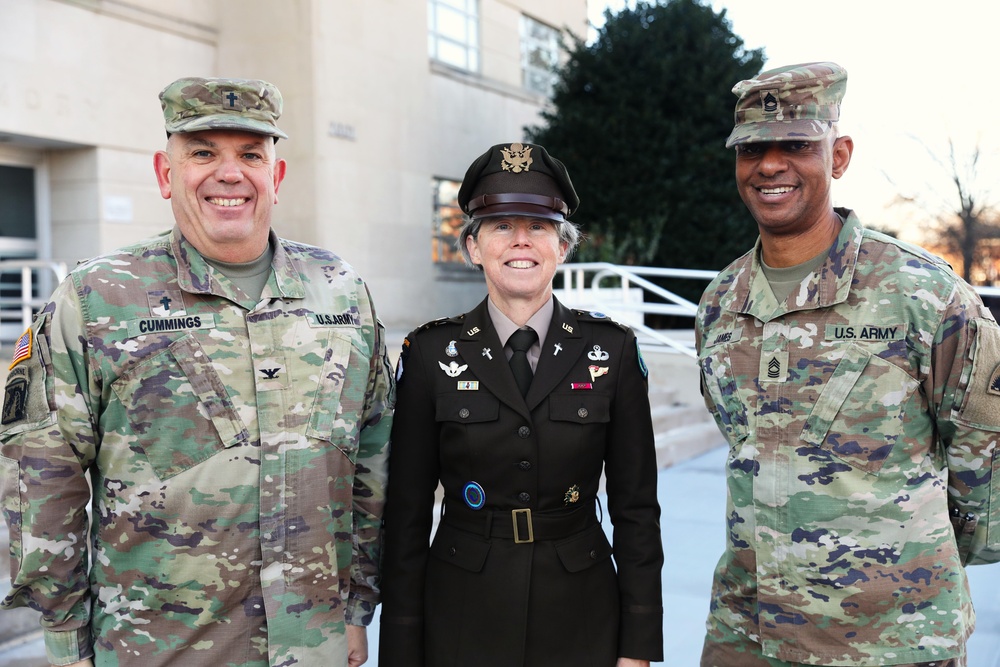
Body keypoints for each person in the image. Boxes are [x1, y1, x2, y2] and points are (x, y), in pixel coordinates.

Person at [0, 77, 393, 667]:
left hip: (315, 643)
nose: (229, 174)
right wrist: (64, 637)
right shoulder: (100, 297)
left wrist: (358, 605)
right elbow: (41, 469)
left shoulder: (339, 290)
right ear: (165, 174)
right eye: (203, 153)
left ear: (276, 179)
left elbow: (374, 451)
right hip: (158, 649)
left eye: (251, 155)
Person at [696, 61, 1000, 667]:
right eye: (752, 148)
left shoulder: (923, 294)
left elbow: (981, 464)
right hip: (748, 632)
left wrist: (909, 566)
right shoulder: (721, 304)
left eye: (797, 145)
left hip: (893, 638)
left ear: (838, 156)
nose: (771, 164)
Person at [378, 142, 663, 666]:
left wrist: (639, 645)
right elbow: (407, 514)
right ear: (472, 247)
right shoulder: (431, 353)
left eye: (538, 226)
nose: (521, 241)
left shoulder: (614, 350)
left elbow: (637, 509)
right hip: (463, 610)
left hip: (581, 611)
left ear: (562, 246)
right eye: (501, 226)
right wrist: (400, 646)